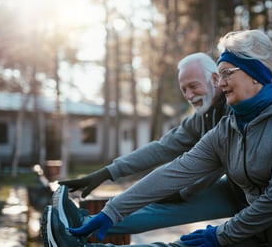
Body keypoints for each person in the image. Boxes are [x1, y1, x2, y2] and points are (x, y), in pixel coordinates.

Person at [48, 29, 272, 246]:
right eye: (219, 75)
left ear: (255, 74)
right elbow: (174, 166)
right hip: (262, 222)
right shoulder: (227, 126)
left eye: (226, 73)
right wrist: (111, 209)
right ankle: (85, 231)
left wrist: (218, 235)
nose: (221, 83)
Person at [41, 52, 248, 242]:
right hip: (236, 188)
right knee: (160, 206)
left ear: (215, 79)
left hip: (257, 200)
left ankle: (79, 229)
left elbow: (207, 167)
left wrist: (182, 192)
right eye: (184, 89)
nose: (189, 95)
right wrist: (108, 172)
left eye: (193, 86)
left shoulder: (231, 113)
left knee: (171, 208)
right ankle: (78, 228)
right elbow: (161, 148)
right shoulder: (201, 117)